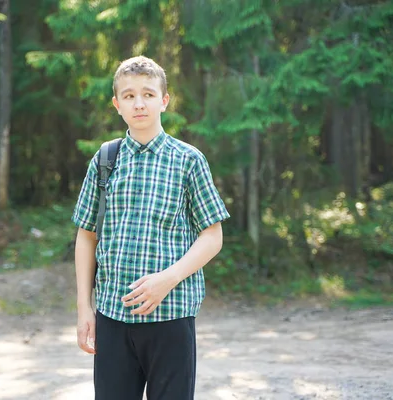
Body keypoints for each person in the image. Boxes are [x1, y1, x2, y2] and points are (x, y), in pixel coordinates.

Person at [72, 55, 230, 400]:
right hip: (113, 316)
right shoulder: (104, 161)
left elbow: (212, 235)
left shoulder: (188, 160)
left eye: (148, 94)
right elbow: (86, 236)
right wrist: (85, 309)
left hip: (171, 316)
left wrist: (167, 279)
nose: (139, 103)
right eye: (128, 96)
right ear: (117, 105)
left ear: (164, 100)